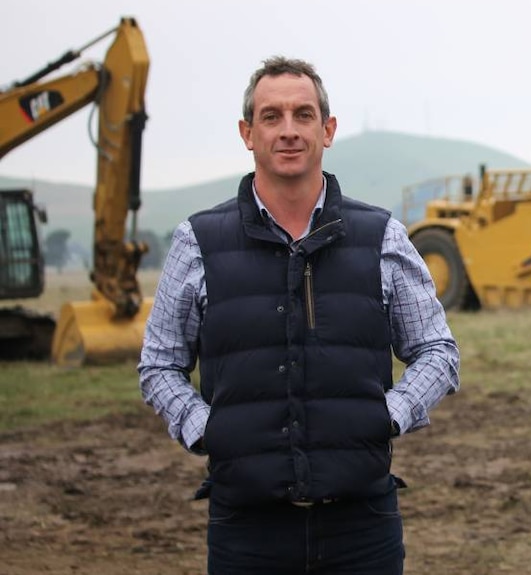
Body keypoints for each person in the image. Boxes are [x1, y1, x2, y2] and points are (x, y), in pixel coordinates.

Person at [138, 56, 460, 575]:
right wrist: (205, 428)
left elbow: (438, 352)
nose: (288, 131)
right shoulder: (197, 242)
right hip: (247, 532)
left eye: (303, 115)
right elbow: (159, 364)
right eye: (271, 116)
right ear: (247, 133)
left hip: (363, 528)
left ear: (327, 130)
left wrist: (389, 415)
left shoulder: (382, 237)